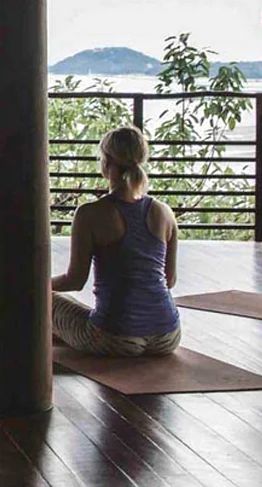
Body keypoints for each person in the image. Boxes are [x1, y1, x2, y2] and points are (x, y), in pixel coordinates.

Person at [48, 126, 182, 357]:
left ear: (106, 162)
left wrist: (33, 284)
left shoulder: (90, 213)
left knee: (47, 299)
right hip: (168, 336)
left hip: (114, 338)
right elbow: (169, 280)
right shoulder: (164, 212)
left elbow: (75, 280)